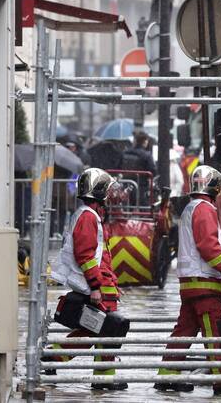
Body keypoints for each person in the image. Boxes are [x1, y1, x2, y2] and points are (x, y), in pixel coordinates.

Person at [153, 165, 221, 395]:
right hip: (204, 284)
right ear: (214, 187)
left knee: (183, 332)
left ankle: (167, 377)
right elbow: (209, 246)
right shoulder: (205, 208)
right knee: (215, 332)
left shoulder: (191, 207)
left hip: (191, 283)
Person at [50, 168, 129, 391]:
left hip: (101, 282)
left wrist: (112, 283)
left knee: (99, 328)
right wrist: (96, 286)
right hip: (96, 284)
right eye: (107, 191)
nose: (110, 195)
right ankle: (101, 377)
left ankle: (54, 358)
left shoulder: (90, 215)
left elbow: (98, 257)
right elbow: (85, 255)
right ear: (99, 192)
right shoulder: (88, 217)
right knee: (107, 328)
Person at [121, 130, 157, 204]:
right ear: (145, 141)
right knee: (143, 206)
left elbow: (119, 167)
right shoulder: (147, 155)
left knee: (126, 205)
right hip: (141, 186)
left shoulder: (125, 153)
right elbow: (153, 170)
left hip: (126, 185)